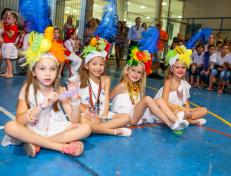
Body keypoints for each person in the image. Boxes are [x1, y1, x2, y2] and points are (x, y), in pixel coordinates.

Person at [1, 26, 91, 157]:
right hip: (33, 129)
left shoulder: (60, 88)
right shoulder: (28, 88)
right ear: (33, 71)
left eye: (52, 69)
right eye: (42, 69)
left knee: (86, 128)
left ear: (57, 70)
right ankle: (59, 146)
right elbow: (19, 120)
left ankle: (37, 143)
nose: (48, 74)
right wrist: (41, 107)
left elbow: (75, 121)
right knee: (10, 126)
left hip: (55, 129)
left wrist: (75, 100)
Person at [110, 47, 189, 130]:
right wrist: (105, 114)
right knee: (147, 99)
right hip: (126, 116)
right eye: (133, 70)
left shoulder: (138, 86)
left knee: (159, 101)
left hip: (135, 114)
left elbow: (137, 103)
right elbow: (107, 98)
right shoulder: (122, 85)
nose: (136, 74)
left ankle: (174, 122)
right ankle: (173, 122)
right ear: (127, 71)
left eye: (139, 72)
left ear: (142, 75)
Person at [79, 37, 132, 136]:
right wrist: (91, 115)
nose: (98, 67)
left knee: (127, 117)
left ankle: (96, 129)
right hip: (88, 115)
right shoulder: (81, 80)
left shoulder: (106, 79)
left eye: (101, 64)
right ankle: (110, 131)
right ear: (86, 65)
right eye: (94, 64)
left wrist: (103, 116)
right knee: (82, 120)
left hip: (102, 114)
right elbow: (76, 103)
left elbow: (107, 100)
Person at [154, 46, 208, 125]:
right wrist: (182, 109)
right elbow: (164, 103)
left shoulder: (184, 83)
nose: (180, 70)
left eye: (183, 67)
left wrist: (188, 109)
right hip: (167, 110)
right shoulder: (168, 82)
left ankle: (184, 119)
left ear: (186, 69)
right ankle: (191, 121)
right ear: (172, 69)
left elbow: (185, 101)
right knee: (178, 113)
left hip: (180, 111)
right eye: (177, 67)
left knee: (204, 110)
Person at [1, 11, 18, 78]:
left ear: (14, 20)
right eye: (7, 18)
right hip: (6, 44)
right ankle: (7, 72)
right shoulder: (8, 26)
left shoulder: (14, 27)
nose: (7, 20)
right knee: (6, 59)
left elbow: (10, 36)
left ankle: (10, 73)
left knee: (8, 60)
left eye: (9, 19)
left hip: (10, 45)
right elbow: (4, 35)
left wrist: (6, 29)